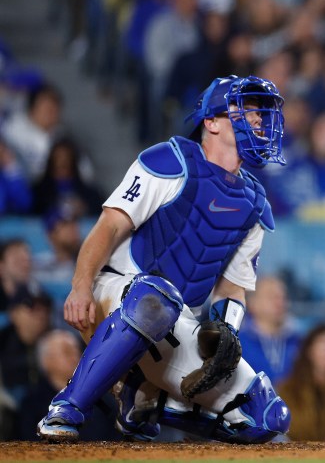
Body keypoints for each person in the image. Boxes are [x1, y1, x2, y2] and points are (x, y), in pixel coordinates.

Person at [35, 75, 292, 443]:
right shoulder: (170, 160)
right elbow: (108, 227)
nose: (258, 120)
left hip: (177, 319)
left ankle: (145, 401)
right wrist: (80, 287)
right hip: (116, 294)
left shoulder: (254, 203)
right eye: (247, 110)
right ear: (212, 121)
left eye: (261, 113)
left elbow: (232, 287)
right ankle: (68, 408)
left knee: (268, 417)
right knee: (156, 298)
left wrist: (225, 332)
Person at [16, 329, 118, 441]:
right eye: (67, 352)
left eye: (77, 351)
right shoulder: (31, 405)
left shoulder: (102, 400)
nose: (76, 356)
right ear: (46, 361)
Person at [238, 275, 303, 386]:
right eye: (272, 297)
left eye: (283, 297)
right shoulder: (238, 343)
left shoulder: (299, 342)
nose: (279, 302)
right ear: (252, 303)